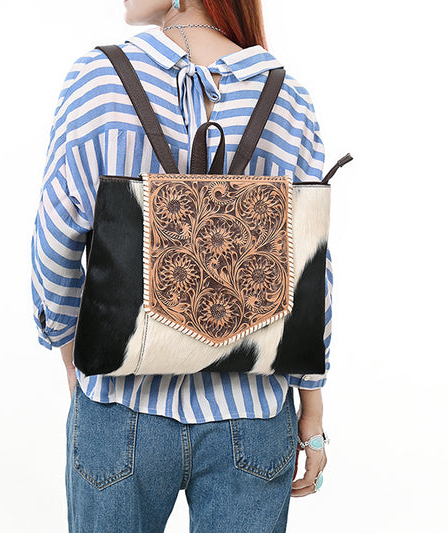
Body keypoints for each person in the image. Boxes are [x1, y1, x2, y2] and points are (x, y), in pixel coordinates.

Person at [30, 0, 331, 531]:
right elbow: (309, 266)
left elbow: (55, 240)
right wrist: (311, 404)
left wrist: (74, 359)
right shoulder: (287, 97)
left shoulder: (98, 81)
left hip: (121, 405)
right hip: (253, 413)